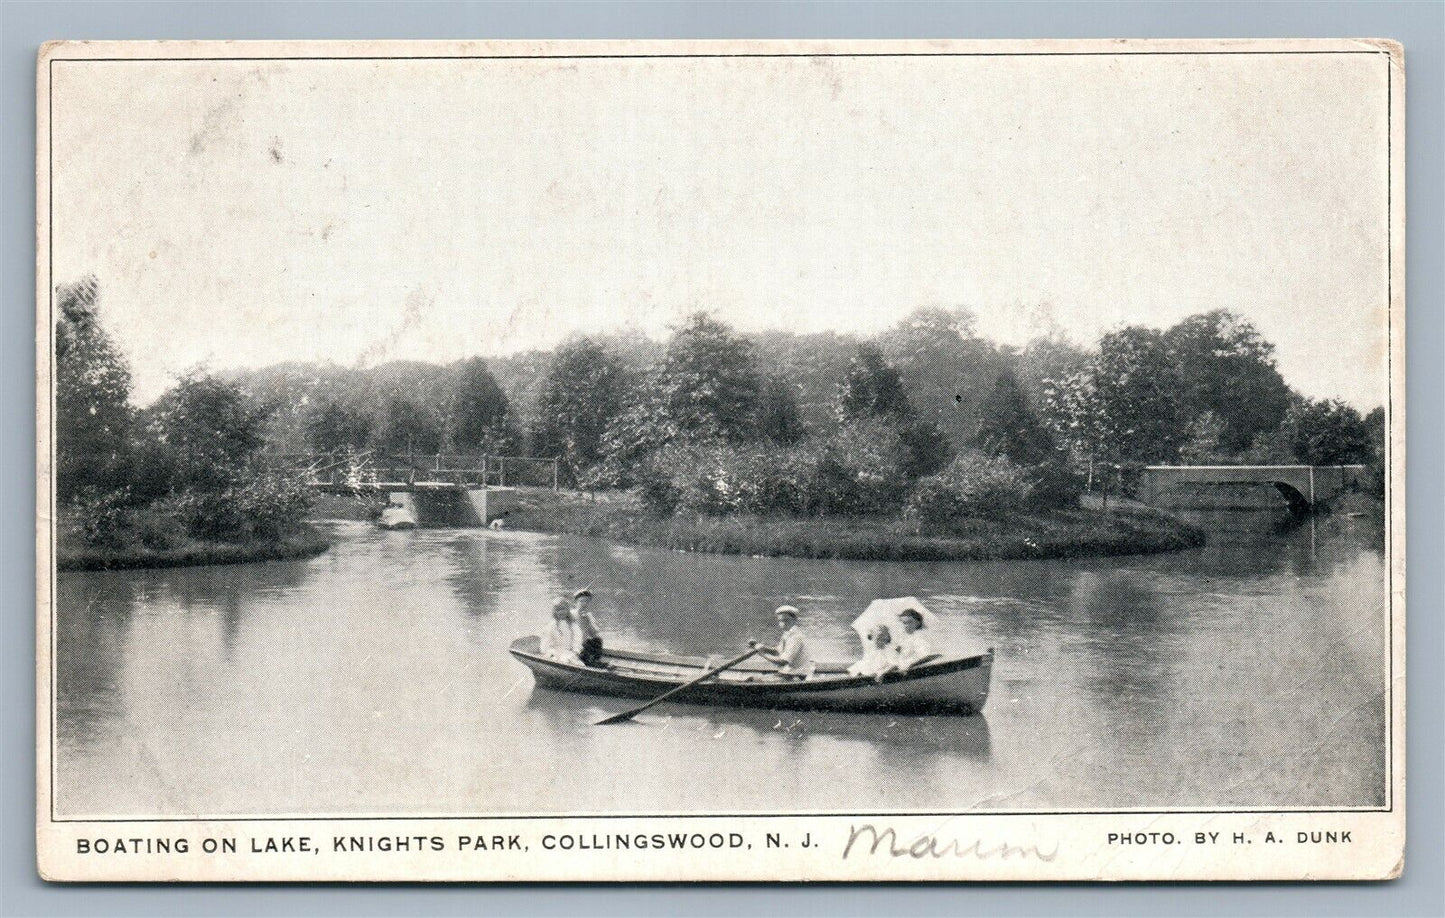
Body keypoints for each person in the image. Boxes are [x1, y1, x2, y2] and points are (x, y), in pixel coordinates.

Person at [750, 605, 815, 679]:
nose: (783, 623)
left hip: (796, 676)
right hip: (788, 674)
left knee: (753, 679)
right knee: (752, 679)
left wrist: (762, 654)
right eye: (780, 621)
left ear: (794, 620)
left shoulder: (795, 637)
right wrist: (762, 647)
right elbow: (778, 651)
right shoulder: (787, 633)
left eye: (786, 620)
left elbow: (783, 662)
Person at [540, 597, 581, 664]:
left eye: (563, 609)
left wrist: (575, 651)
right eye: (558, 610)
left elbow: (577, 640)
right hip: (554, 652)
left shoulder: (573, 625)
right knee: (557, 659)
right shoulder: (551, 626)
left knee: (571, 661)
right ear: (554, 612)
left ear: (567, 610)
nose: (561, 612)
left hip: (569, 652)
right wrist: (550, 652)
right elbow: (546, 642)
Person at [570, 588, 605, 668]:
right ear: (575, 602)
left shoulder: (588, 615)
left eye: (587, 601)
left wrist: (588, 622)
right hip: (573, 645)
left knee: (597, 640)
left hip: (583, 644)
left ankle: (593, 661)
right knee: (584, 646)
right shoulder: (571, 614)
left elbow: (594, 634)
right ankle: (589, 662)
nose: (584, 604)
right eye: (581, 601)